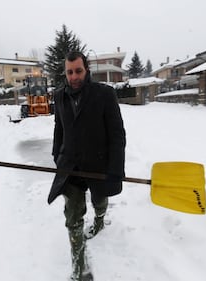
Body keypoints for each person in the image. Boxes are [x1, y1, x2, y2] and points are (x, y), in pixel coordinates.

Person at [48, 51, 126, 280]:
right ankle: (79, 266)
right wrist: (57, 154)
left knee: (99, 201)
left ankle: (100, 218)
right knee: (73, 218)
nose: (74, 77)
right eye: (69, 72)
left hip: (97, 165)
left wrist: (115, 170)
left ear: (87, 69)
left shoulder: (104, 94)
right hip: (70, 167)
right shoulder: (60, 95)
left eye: (78, 71)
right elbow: (59, 129)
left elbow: (117, 134)